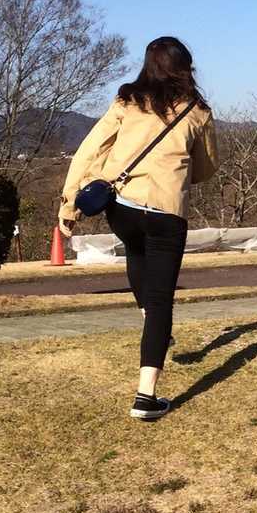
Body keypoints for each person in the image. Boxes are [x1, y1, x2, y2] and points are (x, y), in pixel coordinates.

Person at [59, 36, 219, 420]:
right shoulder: (198, 111)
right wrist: (176, 173)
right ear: (186, 67)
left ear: (148, 65)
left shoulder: (127, 101)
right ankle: (146, 397)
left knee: (135, 250)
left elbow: (89, 150)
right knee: (161, 299)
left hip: (123, 208)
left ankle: (151, 323)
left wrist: (69, 204)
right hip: (166, 212)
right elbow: (207, 168)